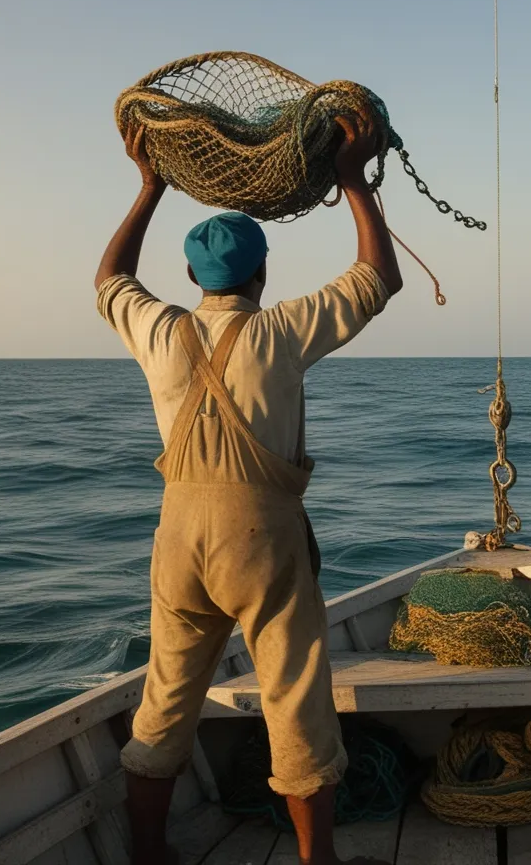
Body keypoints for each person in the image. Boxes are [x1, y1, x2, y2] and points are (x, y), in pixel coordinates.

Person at [94, 103, 402, 865]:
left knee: (166, 698)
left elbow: (110, 278)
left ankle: (147, 853)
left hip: (179, 544)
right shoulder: (283, 331)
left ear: (193, 276)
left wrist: (149, 187)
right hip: (263, 543)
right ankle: (317, 861)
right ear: (261, 273)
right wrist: (352, 180)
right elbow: (378, 276)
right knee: (295, 703)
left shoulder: (159, 330)